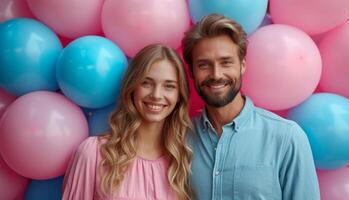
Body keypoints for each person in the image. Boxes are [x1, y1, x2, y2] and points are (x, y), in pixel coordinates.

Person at [182, 14, 320, 200]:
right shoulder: (180, 137)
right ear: (192, 72)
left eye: (226, 62)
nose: (216, 74)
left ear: (242, 66)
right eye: (204, 65)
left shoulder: (287, 138)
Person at [62, 44, 193, 200]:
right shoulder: (94, 153)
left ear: (179, 96)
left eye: (169, 86)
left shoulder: (182, 162)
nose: (157, 95)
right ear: (132, 88)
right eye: (147, 83)